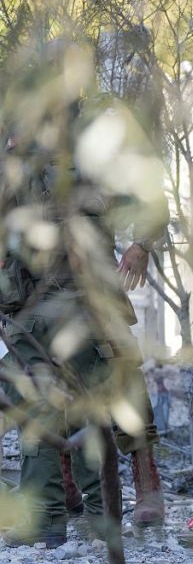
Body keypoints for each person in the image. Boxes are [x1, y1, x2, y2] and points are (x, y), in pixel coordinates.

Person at [0, 39, 169, 547]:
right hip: (28, 302)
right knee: (38, 407)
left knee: (106, 403)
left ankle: (110, 513)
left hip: (89, 300)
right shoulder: (18, 140)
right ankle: (46, 521)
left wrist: (140, 245)